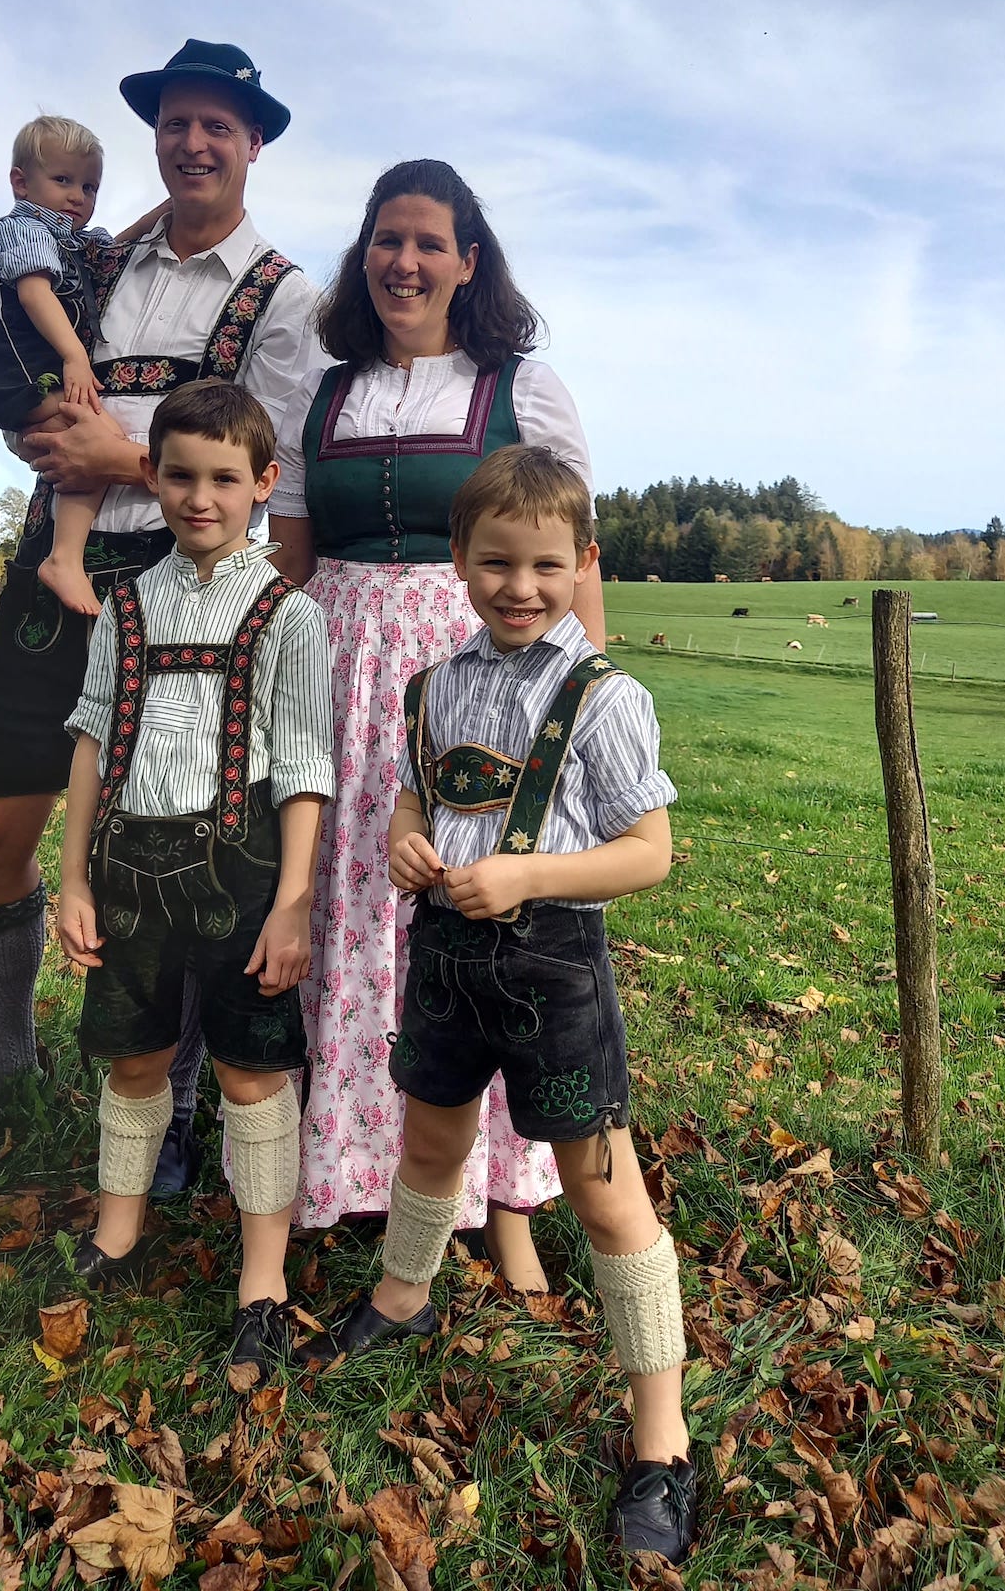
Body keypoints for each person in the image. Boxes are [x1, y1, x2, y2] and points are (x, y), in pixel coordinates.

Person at [0, 40, 318, 1174]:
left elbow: (268, 483)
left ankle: (169, 1104)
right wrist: (30, 424)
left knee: (160, 864)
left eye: (217, 125)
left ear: (254, 141)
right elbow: (20, 346)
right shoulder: (104, 258)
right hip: (54, 564)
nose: (193, 142)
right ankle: (0, 1062)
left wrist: (121, 458)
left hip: (176, 594)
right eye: (175, 122)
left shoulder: (284, 297)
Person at [298, 445, 695, 1567]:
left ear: (582, 566)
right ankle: (403, 1292)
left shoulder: (605, 696)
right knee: (430, 1140)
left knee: (603, 1186)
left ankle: (660, 1438)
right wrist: (405, 838)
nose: (521, 586)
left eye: (545, 565)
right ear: (460, 564)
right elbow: (417, 791)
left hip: (554, 964)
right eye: (497, 562)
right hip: (444, 958)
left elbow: (649, 852)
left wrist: (525, 876)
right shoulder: (440, 683)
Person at [267, 159, 607, 1290]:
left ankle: (507, 1196)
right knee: (353, 908)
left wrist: (582, 704)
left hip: (488, 676)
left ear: (470, 258)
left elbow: (571, 556)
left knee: (487, 927)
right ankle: (360, 1171)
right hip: (340, 672)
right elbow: (295, 563)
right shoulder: (320, 392)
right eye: (384, 239)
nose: (403, 261)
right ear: (363, 253)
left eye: (428, 242)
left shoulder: (522, 387)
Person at [56, 381, 333, 1385]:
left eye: (225, 477)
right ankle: (118, 1229)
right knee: (134, 1055)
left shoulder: (288, 616)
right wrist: (72, 874)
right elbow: (91, 740)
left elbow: (304, 765)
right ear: (155, 476)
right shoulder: (123, 600)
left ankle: (264, 1279)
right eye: (179, 473)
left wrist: (295, 899)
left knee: (251, 1071)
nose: (199, 495)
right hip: (127, 863)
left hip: (243, 866)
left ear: (264, 482)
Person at [0, 115, 126, 619]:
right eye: (63, 180)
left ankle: (65, 557)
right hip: (11, 372)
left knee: (97, 441)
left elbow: (119, 245)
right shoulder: (23, 229)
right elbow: (34, 294)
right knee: (99, 439)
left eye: (90, 186)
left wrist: (171, 210)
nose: (78, 196)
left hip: (28, 373)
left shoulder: (71, 240)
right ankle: (63, 559)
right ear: (20, 182)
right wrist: (76, 355)